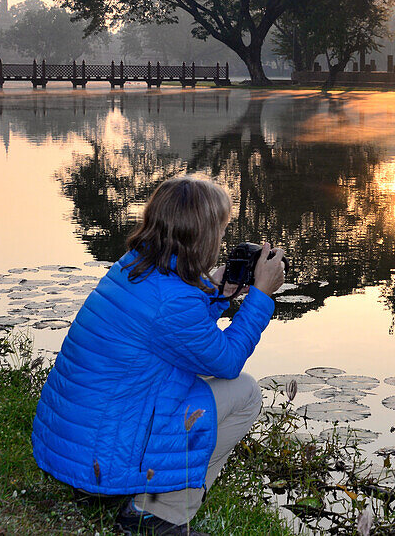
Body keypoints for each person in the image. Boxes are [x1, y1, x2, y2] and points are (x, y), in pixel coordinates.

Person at [32, 175, 285, 536]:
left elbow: (176, 333)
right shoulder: (174, 300)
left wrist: (217, 292)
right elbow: (226, 361)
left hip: (75, 447)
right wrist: (260, 295)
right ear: (202, 235)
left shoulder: (136, 264)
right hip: (98, 457)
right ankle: (155, 515)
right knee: (244, 392)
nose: (221, 238)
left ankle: (120, 495)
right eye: (219, 229)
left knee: (193, 386)